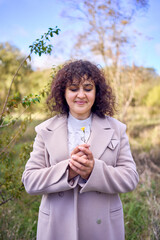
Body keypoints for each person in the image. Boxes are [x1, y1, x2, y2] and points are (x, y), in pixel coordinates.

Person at [22, 60, 139, 240]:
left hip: (103, 229)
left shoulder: (117, 129)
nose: (81, 95)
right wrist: (68, 171)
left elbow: (130, 178)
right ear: (63, 92)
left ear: (97, 91)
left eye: (88, 88)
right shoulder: (44, 130)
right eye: (74, 88)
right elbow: (30, 181)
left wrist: (93, 171)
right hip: (57, 228)